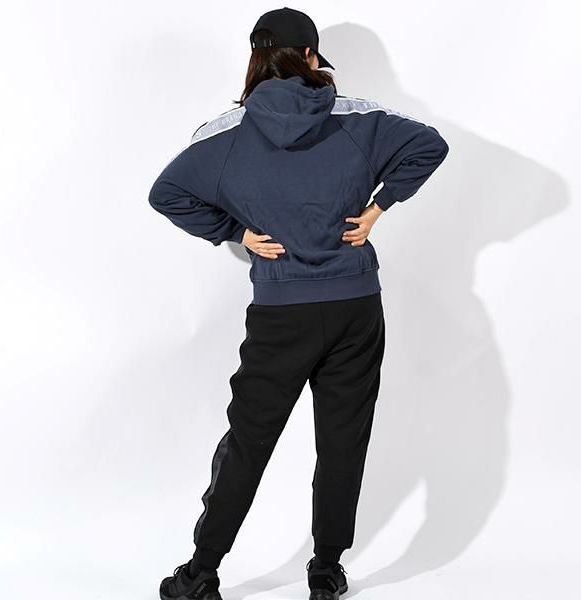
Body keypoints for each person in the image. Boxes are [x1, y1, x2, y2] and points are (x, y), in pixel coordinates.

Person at [148, 7, 449, 600]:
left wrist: (236, 232)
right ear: (311, 57)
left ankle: (200, 573)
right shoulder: (357, 117)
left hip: (281, 314)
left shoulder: (225, 133)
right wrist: (378, 208)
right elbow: (429, 145)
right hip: (355, 305)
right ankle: (326, 571)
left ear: (256, 58)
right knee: (343, 441)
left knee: (248, 442)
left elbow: (167, 193)